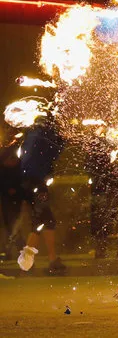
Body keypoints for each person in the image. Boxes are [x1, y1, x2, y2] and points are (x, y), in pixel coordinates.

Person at [18, 117, 66, 274]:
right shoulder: (45, 134)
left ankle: (50, 259)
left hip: (28, 182)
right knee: (43, 219)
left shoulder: (31, 134)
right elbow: (56, 151)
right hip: (38, 182)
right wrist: (64, 137)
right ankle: (28, 261)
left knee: (43, 220)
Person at [0, 132, 25, 260]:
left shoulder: (12, 149)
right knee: (9, 223)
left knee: (13, 222)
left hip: (13, 192)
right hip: (7, 191)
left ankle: (19, 249)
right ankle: (11, 250)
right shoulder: (7, 149)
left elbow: (14, 165)